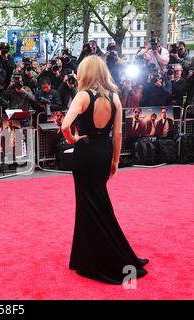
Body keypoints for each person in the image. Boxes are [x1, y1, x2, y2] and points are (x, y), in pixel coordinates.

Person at [61, 55, 148, 284]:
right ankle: (82, 256)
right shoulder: (115, 98)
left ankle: (98, 258)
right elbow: (118, 134)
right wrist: (116, 161)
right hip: (104, 152)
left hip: (85, 153)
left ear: (85, 73)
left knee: (89, 204)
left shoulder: (82, 96)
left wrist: (72, 140)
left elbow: (64, 126)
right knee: (96, 203)